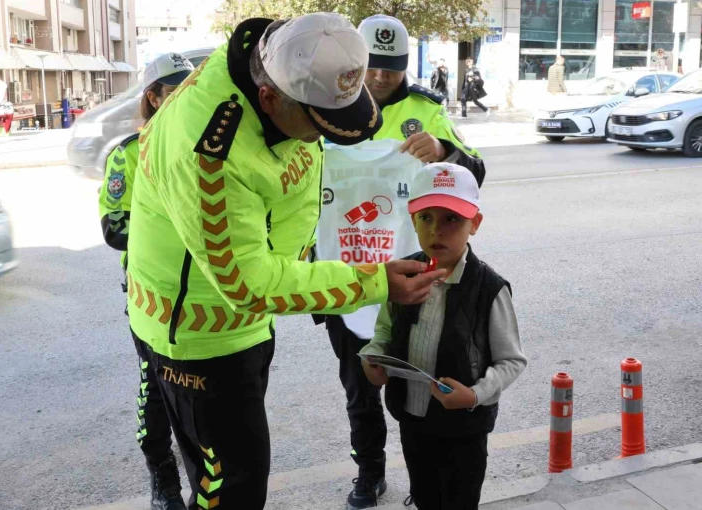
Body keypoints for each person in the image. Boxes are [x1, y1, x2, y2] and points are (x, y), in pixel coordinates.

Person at [127, 13, 446, 510]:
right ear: (271, 97)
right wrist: (373, 281)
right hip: (202, 338)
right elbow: (248, 284)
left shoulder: (281, 54)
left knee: (244, 470)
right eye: (316, 124)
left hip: (247, 324)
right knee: (230, 492)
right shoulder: (211, 157)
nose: (321, 137)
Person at [320, 14, 488, 510]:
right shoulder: (327, 104)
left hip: (417, 274)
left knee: (421, 386)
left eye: (391, 69)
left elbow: (475, 169)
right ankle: (369, 473)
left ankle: (425, 475)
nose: (380, 78)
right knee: (360, 388)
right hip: (348, 268)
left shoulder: (424, 111)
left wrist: (444, 150)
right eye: (373, 67)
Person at [361, 162, 527, 510]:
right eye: (427, 218)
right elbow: (385, 331)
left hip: (464, 429)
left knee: (458, 500)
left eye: (451, 219)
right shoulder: (401, 276)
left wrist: (474, 395)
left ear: (474, 224)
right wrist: (374, 356)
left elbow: (512, 360)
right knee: (424, 494)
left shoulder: (489, 289)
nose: (437, 231)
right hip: (413, 419)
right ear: (413, 222)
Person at [98, 52, 194, 510]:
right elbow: (114, 227)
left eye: (188, 90)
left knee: (205, 400)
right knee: (156, 388)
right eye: (173, 92)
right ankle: (163, 476)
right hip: (152, 296)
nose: (182, 100)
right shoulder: (129, 154)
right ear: (153, 98)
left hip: (208, 298)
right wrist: (176, 226)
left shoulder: (206, 147)